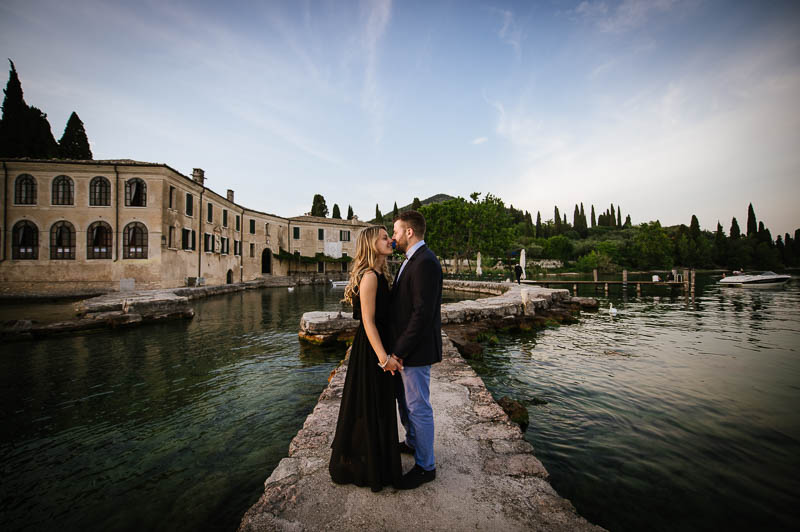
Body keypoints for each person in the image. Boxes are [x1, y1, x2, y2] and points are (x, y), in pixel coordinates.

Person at [329, 225, 403, 492]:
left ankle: (378, 462)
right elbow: (369, 323)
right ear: (371, 244)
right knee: (373, 406)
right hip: (372, 349)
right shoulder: (370, 276)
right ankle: (373, 466)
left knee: (378, 406)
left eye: (389, 236)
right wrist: (384, 359)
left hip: (377, 345)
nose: (390, 240)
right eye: (384, 238)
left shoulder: (380, 273)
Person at [390, 210, 443, 489]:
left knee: (418, 407)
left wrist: (398, 351)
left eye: (396, 231)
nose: (393, 236)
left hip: (415, 351)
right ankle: (412, 442)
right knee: (405, 402)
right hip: (407, 350)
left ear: (409, 232)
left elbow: (422, 314)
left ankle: (426, 466)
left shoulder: (424, 262)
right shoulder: (412, 260)